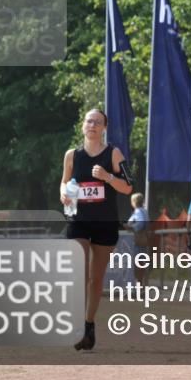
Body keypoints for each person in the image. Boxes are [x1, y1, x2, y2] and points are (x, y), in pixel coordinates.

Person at [60, 108, 133, 351]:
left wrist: (107, 177)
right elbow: (64, 182)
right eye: (89, 121)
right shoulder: (72, 155)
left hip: (105, 222)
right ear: (83, 125)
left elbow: (128, 188)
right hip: (78, 220)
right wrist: (63, 194)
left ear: (104, 128)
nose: (92, 125)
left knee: (95, 278)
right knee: (78, 272)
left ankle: (88, 324)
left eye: (97, 122)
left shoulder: (113, 154)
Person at [127, 192, 150, 287]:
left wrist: (132, 227)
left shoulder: (138, 211)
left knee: (137, 263)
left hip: (137, 240)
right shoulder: (144, 211)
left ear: (133, 202)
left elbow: (140, 224)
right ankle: (141, 285)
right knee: (141, 262)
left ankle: (138, 285)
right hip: (144, 240)